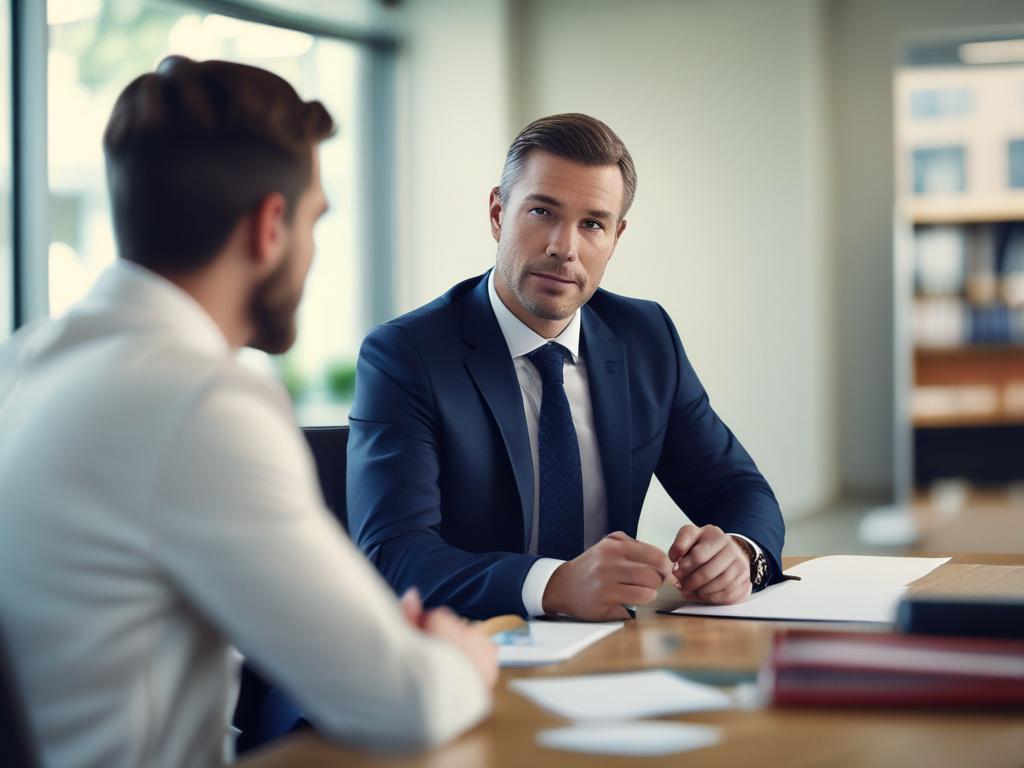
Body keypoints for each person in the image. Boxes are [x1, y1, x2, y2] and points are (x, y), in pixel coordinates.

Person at [0, 57, 495, 768]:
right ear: (271, 225)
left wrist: (373, 645)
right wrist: (457, 658)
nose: (312, 249)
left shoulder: (24, 363)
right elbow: (409, 701)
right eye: (313, 221)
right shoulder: (200, 404)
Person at [348, 113, 785, 622]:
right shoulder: (406, 354)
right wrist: (553, 584)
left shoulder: (646, 337)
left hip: (610, 648)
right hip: (467, 645)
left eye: (592, 224)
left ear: (616, 238)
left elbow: (738, 489)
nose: (564, 247)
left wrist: (739, 552)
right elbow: (394, 553)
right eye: (541, 212)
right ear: (497, 213)